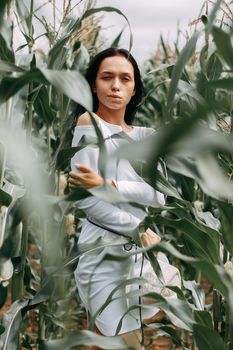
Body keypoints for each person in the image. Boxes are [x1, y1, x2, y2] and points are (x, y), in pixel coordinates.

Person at [68, 47, 165, 349]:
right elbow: (89, 201)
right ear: (93, 84)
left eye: (125, 78)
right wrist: (136, 228)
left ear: (135, 88)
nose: (115, 85)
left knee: (116, 339)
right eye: (107, 77)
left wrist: (108, 183)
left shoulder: (146, 136)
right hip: (103, 250)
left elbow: (159, 196)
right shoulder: (89, 124)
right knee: (114, 340)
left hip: (138, 253)